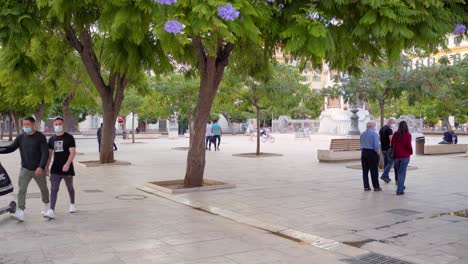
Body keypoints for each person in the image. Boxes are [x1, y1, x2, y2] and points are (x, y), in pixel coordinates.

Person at [0, 117, 49, 222]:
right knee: (22, 190)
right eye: (24, 124)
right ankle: (21, 211)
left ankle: (46, 205)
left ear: (33, 124)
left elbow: (45, 153)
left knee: (43, 189)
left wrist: (41, 166)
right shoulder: (21, 137)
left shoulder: (40, 137)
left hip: (38, 169)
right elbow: (10, 148)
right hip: (25, 169)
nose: (25, 126)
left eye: (27, 124)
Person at [44, 117, 77, 219]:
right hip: (56, 168)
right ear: (53, 126)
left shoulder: (69, 138)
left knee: (70, 187)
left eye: (60, 124)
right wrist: (47, 166)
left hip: (67, 168)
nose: (58, 126)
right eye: (56, 124)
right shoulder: (51, 139)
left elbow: (72, 152)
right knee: (54, 189)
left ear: (63, 125)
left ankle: (72, 204)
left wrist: (67, 164)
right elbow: (49, 155)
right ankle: (51, 210)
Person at [391, 121, 413, 195]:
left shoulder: (395, 134)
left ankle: (401, 185)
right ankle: (400, 190)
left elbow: (392, 144)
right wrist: (411, 152)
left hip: (396, 156)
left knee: (399, 172)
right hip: (404, 156)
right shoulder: (408, 135)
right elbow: (409, 146)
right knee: (402, 172)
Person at [360, 121, 381, 192]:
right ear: (371, 126)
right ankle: (376, 187)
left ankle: (366, 186)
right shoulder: (374, 134)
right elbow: (376, 146)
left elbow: (361, 144)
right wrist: (378, 153)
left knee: (365, 171)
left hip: (364, 152)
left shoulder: (362, 134)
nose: (375, 127)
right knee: (374, 170)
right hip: (372, 153)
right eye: (374, 126)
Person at [379, 118, 396, 183]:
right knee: (391, 163)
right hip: (388, 149)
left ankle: (387, 177)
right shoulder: (389, 130)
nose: (394, 124)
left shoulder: (381, 129)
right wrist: (392, 147)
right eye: (393, 123)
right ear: (391, 122)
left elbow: (379, 138)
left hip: (383, 148)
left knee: (386, 163)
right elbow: (391, 140)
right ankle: (384, 175)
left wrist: (383, 144)